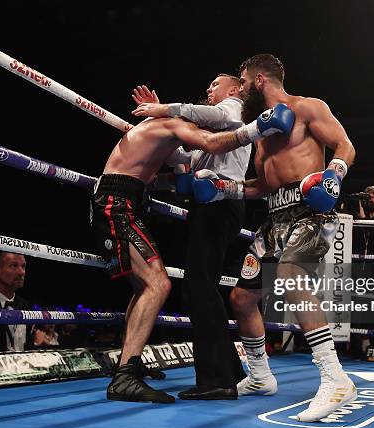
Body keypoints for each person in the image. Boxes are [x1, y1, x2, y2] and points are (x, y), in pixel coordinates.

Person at [91, 91, 294, 403]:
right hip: (117, 202)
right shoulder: (173, 123)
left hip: (127, 199)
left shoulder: (163, 129)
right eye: (202, 120)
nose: (205, 124)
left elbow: (176, 166)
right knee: (158, 284)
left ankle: (128, 365)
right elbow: (210, 142)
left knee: (147, 285)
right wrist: (259, 127)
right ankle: (125, 376)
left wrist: (178, 176)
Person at [187, 53, 357, 422]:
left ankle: (335, 377)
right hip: (274, 217)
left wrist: (333, 175)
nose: (242, 89)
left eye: (244, 82)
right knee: (242, 297)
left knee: (290, 276)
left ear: (259, 80)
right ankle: (261, 376)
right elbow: (262, 186)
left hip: (312, 208)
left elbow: (345, 146)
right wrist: (224, 187)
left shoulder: (308, 108)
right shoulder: (261, 131)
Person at [131, 75, 252, 400]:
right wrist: (158, 125)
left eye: (215, 84)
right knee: (204, 287)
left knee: (198, 287)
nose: (208, 89)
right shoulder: (213, 132)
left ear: (235, 89)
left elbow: (209, 115)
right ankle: (230, 372)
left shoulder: (233, 112)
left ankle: (217, 379)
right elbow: (184, 159)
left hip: (219, 201)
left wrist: (165, 109)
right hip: (212, 204)